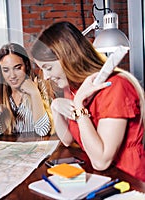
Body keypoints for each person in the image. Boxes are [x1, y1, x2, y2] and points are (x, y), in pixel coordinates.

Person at [30, 21, 145, 181]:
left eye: (48, 68)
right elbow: (67, 139)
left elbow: (101, 161)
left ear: (68, 58)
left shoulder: (116, 86)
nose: (46, 76)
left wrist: (78, 105)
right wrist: (55, 107)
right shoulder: (73, 87)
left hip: (129, 180)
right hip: (100, 177)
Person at [0, 43, 53, 136]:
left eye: (17, 68)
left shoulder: (40, 85)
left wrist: (34, 93)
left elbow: (43, 131)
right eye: (6, 70)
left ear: (26, 65)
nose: (12, 76)